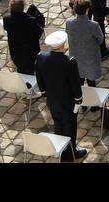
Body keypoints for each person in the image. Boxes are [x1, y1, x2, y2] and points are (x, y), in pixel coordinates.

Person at [34, 31, 86, 160]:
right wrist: (78, 100)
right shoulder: (69, 61)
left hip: (52, 100)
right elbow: (75, 84)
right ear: (63, 44)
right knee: (70, 126)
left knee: (58, 124)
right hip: (68, 102)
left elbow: (39, 77)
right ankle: (70, 153)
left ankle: (62, 149)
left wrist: (45, 93)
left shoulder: (41, 57)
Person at [65, 0, 105, 86]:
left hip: (75, 56)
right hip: (90, 57)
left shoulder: (69, 22)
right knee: (91, 82)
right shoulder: (94, 25)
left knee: (79, 81)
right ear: (87, 10)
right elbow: (100, 39)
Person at [3, 0, 45, 75]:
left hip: (16, 55)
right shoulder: (30, 21)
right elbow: (39, 33)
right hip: (31, 55)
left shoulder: (6, 19)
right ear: (22, 7)